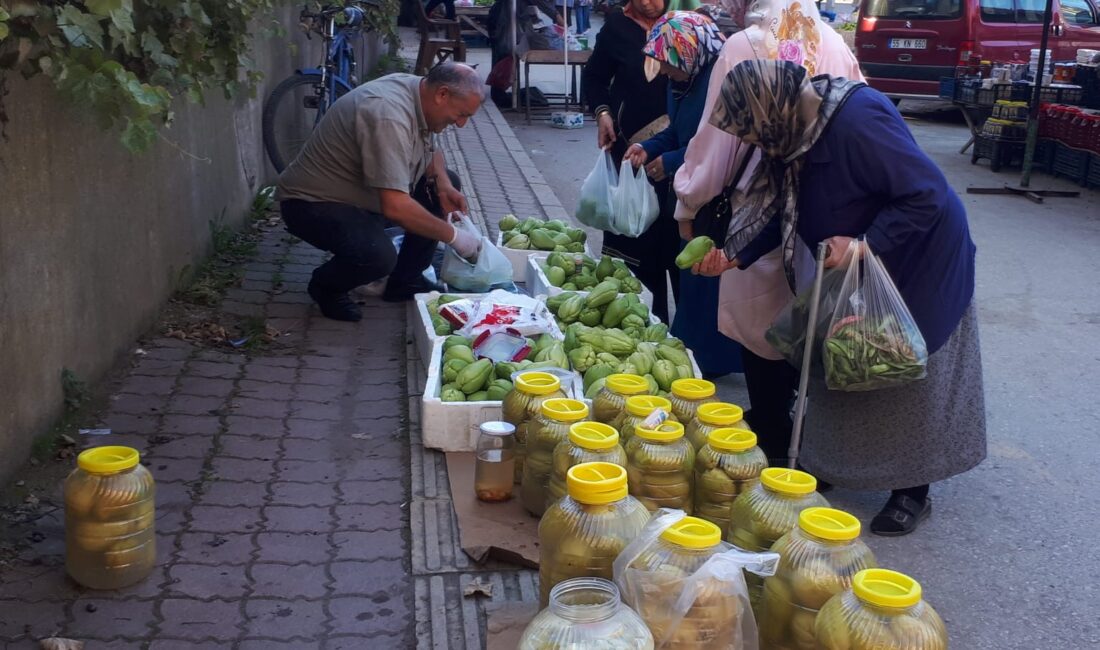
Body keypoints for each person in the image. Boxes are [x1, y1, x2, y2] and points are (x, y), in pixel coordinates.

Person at [696, 59, 987, 536]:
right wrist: (736, 254)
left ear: (771, 108)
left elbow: (926, 195)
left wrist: (863, 241)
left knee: (904, 373)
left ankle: (912, 491)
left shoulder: (856, 121)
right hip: (854, 265)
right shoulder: (791, 128)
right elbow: (785, 207)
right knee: (844, 363)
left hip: (917, 260)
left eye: (751, 131)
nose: (752, 142)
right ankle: (836, 465)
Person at [671, 0, 862, 461]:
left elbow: (715, 139)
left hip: (754, 208)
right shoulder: (836, 45)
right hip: (822, 211)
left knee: (760, 326)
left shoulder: (743, 46)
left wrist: (688, 201)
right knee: (808, 323)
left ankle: (775, 436)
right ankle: (803, 436)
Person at [276, 63, 484, 322]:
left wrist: (442, 184)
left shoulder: (421, 92)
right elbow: (395, 207)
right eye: (462, 114)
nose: (462, 124)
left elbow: (429, 144)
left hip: (359, 192)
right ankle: (326, 287)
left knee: (441, 183)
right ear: (442, 94)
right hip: (312, 203)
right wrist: (454, 237)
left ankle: (405, 281)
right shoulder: (388, 114)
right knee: (377, 256)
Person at [621, 11, 742, 378]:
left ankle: (705, 365)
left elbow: (718, 146)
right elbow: (678, 132)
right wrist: (648, 147)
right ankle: (691, 355)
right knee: (692, 278)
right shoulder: (683, 83)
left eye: (670, 64)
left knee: (707, 282)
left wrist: (671, 162)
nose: (665, 72)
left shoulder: (716, 82)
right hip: (689, 192)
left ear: (689, 54)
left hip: (718, 194)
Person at [581, 0, 677, 323]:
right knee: (635, 243)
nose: (651, 2)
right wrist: (603, 113)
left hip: (675, 154)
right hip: (630, 156)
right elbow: (593, 78)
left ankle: (683, 337)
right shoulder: (616, 29)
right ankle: (638, 321)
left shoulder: (678, 27)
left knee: (675, 242)